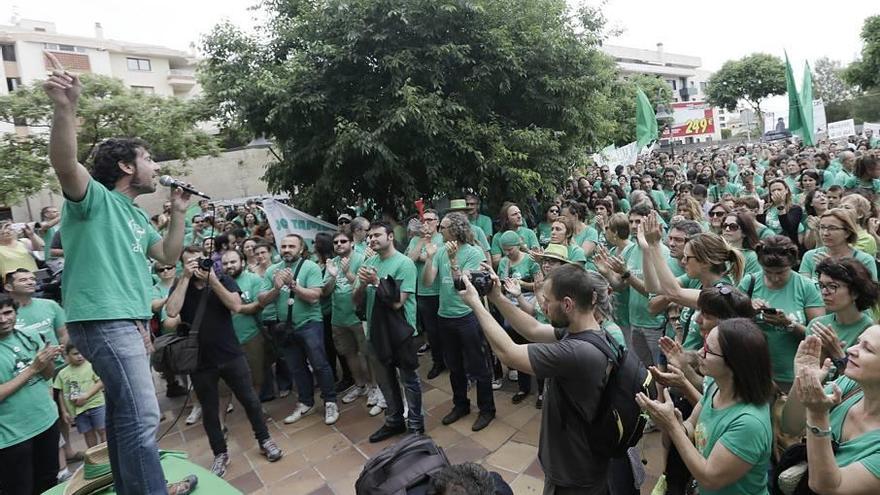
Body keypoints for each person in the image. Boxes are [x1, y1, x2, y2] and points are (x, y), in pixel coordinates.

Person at [43, 53, 197, 494]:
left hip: (124, 322)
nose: (156, 167)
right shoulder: (92, 200)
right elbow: (65, 164)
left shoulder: (136, 216)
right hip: (102, 320)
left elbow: (167, 256)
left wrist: (181, 213)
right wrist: (66, 108)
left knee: (127, 414)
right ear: (127, 167)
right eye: (148, 158)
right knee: (146, 415)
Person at [460, 264, 616, 493]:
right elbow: (532, 329)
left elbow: (508, 353)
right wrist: (496, 297)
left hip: (573, 473)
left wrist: (475, 303)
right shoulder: (586, 331)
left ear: (567, 304)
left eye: (547, 300)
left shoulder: (577, 352)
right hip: (576, 461)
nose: (543, 305)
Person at [165, 246, 282, 477]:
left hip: (230, 354)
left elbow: (236, 306)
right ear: (183, 265)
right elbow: (171, 311)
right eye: (190, 262)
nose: (195, 265)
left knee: (250, 400)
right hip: (199, 362)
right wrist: (185, 279)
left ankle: (265, 440)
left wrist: (212, 281)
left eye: (199, 260)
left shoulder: (224, 280)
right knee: (209, 410)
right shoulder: (181, 286)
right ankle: (220, 453)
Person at [637, 318, 774, 495]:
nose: (700, 353)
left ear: (734, 363)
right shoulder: (717, 387)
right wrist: (674, 423)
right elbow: (692, 426)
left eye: (709, 351)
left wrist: (672, 425)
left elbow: (709, 478)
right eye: (704, 345)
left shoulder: (749, 423)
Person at [780, 330, 880, 494]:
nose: (851, 350)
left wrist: (818, 416)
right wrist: (804, 380)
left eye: (867, 349)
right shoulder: (850, 385)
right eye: (858, 341)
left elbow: (827, 487)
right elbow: (790, 426)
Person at [423, 212, 496, 432]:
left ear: (455, 229)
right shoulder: (440, 251)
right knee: (454, 367)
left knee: (478, 366)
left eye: (443, 227)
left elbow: (462, 287)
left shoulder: (473, 253)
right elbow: (427, 282)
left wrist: (454, 261)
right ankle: (461, 405)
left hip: (468, 317)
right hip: (444, 316)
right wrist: (428, 258)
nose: (439, 230)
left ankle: (487, 410)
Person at [258, 234, 340, 425]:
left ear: (301, 248)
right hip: (286, 328)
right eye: (284, 246)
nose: (286, 249)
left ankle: (330, 401)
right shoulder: (272, 270)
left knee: (320, 364)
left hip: (309, 324)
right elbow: (262, 300)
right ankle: (305, 402)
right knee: (296, 367)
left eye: (291, 246)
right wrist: (276, 289)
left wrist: (293, 285)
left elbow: (314, 296)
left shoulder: (309, 267)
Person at [354, 222, 423, 441]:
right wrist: (363, 285)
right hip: (375, 332)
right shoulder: (368, 262)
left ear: (391, 237)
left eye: (377, 235)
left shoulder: (404, 264)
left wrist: (375, 281)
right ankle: (394, 420)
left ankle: (415, 425)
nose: (372, 239)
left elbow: (397, 303)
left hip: (400, 332)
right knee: (385, 379)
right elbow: (355, 300)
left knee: (409, 380)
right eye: (370, 236)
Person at [740, 236, 825, 392]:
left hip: (793, 377)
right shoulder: (749, 283)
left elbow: (818, 337)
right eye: (768, 272)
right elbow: (731, 324)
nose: (774, 277)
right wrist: (748, 310)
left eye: (781, 272)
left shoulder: (806, 287)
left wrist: (788, 324)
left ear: (792, 265)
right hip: (755, 373)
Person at [0, 294, 63, 495]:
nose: (3, 320)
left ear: (16, 312)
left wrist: (47, 360)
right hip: (12, 435)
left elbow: (48, 375)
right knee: (20, 488)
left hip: (46, 420)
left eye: (7, 312)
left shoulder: (29, 335)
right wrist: (33, 368)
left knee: (49, 482)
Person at [323, 231, 381, 410]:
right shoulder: (332, 263)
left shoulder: (363, 258)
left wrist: (347, 273)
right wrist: (332, 276)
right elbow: (324, 292)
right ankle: (360, 385)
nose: (339, 244)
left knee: (368, 353)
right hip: (338, 318)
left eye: (343, 241)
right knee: (348, 353)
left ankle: (374, 387)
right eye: (336, 242)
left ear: (351, 243)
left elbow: (364, 286)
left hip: (359, 316)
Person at [807, 258, 879, 358]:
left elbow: (863, 373)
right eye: (821, 285)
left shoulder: (869, 330)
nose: (824, 292)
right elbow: (807, 368)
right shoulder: (816, 326)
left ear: (854, 292)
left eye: (832, 286)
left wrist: (836, 352)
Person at [221, 249, 270, 396]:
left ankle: (256, 409)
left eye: (233, 262)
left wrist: (236, 308)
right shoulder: (219, 284)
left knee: (256, 377)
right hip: (228, 341)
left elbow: (259, 304)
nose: (229, 266)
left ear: (242, 262)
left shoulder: (253, 279)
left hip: (251, 336)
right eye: (225, 263)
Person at [405, 210, 446, 380]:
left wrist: (426, 256)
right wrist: (423, 240)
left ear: (437, 222)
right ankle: (438, 362)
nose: (426, 222)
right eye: (424, 219)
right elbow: (409, 259)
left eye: (430, 219)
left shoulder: (444, 237)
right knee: (432, 331)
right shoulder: (416, 239)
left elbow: (439, 257)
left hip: (443, 290)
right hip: (423, 292)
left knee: (447, 329)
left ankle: (451, 361)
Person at [799, 209, 877, 281]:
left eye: (832, 228)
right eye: (822, 227)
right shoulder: (810, 256)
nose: (825, 233)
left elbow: (870, 292)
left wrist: (834, 269)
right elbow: (804, 290)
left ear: (847, 232)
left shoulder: (864, 260)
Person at [53, 344, 106, 448]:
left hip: (96, 404)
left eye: (82, 352)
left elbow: (100, 382)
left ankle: (107, 456)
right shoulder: (62, 373)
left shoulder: (91, 366)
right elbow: (60, 392)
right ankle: (95, 457)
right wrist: (64, 412)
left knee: (102, 430)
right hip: (78, 410)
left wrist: (86, 395)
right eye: (75, 354)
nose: (80, 356)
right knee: (88, 433)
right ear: (66, 355)